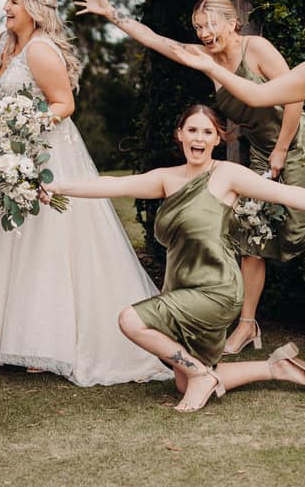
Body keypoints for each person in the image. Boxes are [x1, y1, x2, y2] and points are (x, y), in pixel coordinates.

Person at [75, 0, 305, 355]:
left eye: (211, 25)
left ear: (234, 23)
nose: (204, 34)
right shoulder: (203, 56)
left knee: (297, 227)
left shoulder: (257, 49)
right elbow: (156, 40)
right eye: (199, 27)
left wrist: (281, 150)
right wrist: (111, 15)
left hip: (295, 144)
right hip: (262, 152)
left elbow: (295, 99)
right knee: (251, 238)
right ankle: (247, 325)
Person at [0, 0, 170, 387]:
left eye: (13, 1)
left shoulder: (41, 50)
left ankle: (50, 342)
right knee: (17, 240)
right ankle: (13, 335)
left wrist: (25, 124)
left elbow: (65, 103)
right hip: (14, 154)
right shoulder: (2, 44)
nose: (5, 7)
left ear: (32, 8)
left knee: (50, 241)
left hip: (47, 153)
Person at [41, 105, 305, 411]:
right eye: (192, 130)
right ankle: (275, 368)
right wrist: (58, 186)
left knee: (130, 319)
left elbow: (289, 195)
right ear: (180, 135)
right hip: (180, 286)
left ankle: (199, 375)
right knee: (181, 384)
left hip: (216, 289)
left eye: (208, 132)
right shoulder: (167, 179)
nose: (200, 138)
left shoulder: (227, 175)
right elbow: (114, 185)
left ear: (218, 139)